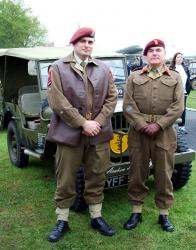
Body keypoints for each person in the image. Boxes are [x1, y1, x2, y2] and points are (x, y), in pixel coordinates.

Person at [46, 27, 117, 242]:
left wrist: (97, 122)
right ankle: (62, 220)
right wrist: (82, 123)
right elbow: (57, 101)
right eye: (83, 41)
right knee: (65, 179)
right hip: (69, 134)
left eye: (90, 41)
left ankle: (96, 216)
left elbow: (112, 98)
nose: (87, 45)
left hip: (98, 132)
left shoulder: (103, 68)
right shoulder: (58, 68)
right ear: (74, 43)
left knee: (97, 176)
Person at [123, 39, 184, 232]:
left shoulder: (174, 77)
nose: (155, 53)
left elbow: (178, 106)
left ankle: (164, 215)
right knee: (137, 173)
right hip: (138, 133)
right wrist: (142, 124)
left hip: (164, 133)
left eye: (158, 50)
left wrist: (159, 124)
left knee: (164, 174)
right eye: (151, 51)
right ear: (145, 56)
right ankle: (136, 211)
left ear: (164, 54)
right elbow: (128, 105)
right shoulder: (134, 77)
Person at [170, 52, 192, 134]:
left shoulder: (185, 68)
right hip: (173, 92)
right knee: (174, 108)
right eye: (178, 57)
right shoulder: (171, 68)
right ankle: (172, 126)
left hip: (184, 92)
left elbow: (188, 80)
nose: (180, 59)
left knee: (183, 109)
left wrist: (188, 89)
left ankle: (182, 126)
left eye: (181, 57)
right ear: (175, 58)